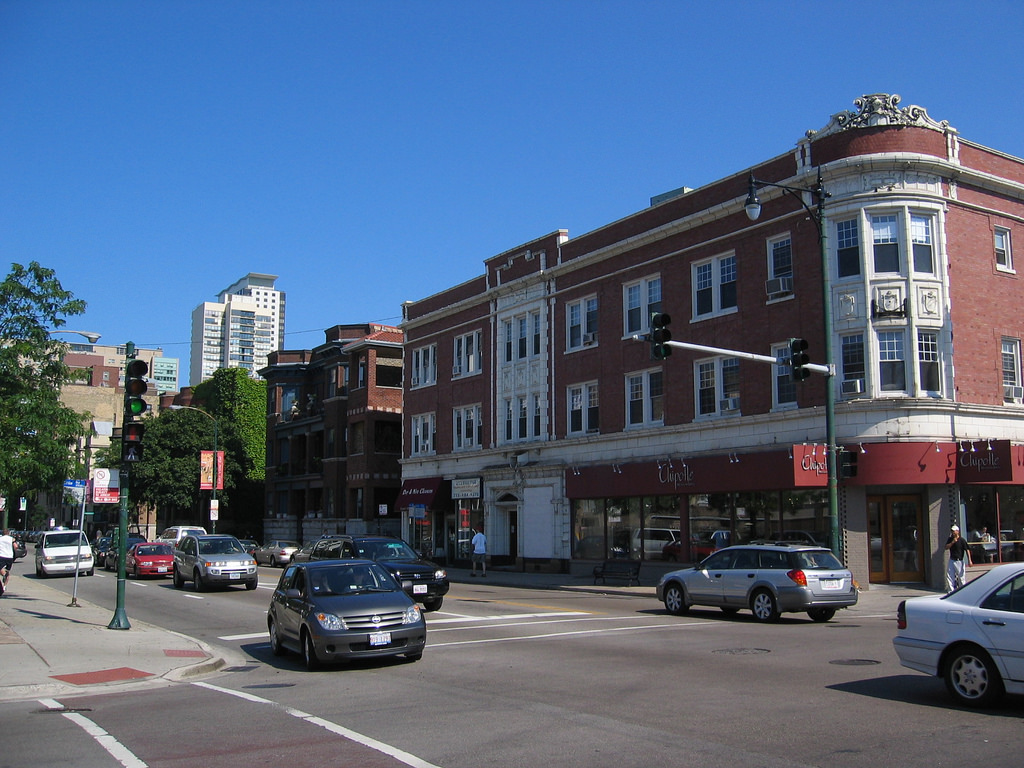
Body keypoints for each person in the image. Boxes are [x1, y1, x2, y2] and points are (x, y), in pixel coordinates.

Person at [944, 524, 972, 593]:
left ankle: (963, 591)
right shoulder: (950, 539)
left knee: (961, 578)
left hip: (959, 561)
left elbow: (967, 549)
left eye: (954, 531)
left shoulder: (962, 540)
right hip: (952, 560)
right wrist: (952, 542)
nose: (953, 533)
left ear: (957, 531)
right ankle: (950, 591)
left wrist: (970, 560)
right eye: (952, 531)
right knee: (949, 576)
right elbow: (946, 547)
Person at [0, 528, 16, 597]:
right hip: (10, 557)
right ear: (8, 533)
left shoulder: (0, 539)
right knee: (8, 571)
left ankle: (3, 575)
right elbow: (16, 546)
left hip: (2, 555)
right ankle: (4, 586)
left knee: (1, 569)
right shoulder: (11, 539)